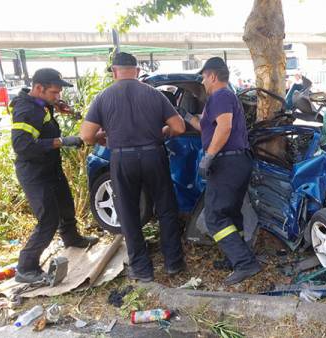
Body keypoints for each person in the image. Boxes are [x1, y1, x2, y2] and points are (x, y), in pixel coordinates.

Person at [80, 52, 187, 282]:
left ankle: (142, 269)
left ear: (114, 71)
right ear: (137, 71)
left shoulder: (103, 97)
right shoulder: (154, 94)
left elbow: (87, 135)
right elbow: (178, 127)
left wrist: (101, 137)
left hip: (122, 158)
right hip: (153, 154)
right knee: (166, 208)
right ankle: (173, 263)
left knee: (128, 213)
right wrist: (163, 132)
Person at [177, 57, 261, 286]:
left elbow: (224, 128)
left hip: (227, 162)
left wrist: (209, 156)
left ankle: (245, 263)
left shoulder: (221, 95)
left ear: (212, 76)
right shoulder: (219, 99)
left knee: (214, 216)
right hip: (236, 162)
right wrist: (185, 116)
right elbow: (204, 125)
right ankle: (238, 255)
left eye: (203, 77)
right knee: (231, 213)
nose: (202, 82)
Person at [10, 68, 99, 283]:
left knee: (66, 205)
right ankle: (26, 267)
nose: (57, 96)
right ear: (39, 88)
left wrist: (56, 105)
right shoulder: (26, 110)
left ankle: (72, 238)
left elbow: (44, 109)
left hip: (50, 167)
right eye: (54, 93)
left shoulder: (40, 103)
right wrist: (61, 141)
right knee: (48, 219)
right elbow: (22, 145)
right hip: (34, 172)